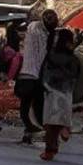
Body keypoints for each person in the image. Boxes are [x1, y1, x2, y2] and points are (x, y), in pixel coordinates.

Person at [16, 9, 57, 144]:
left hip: (32, 75)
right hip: (33, 74)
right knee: (33, 106)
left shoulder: (45, 33)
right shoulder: (36, 30)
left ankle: (33, 131)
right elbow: (41, 55)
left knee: (30, 106)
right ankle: (37, 130)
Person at [40, 28, 80, 161]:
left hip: (51, 91)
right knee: (63, 117)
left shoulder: (51, 55)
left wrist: (45, 86)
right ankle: (65, 128)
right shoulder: (72, 58)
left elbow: (44, 73)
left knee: (50, 123)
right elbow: (76, 75)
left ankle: (50, 150)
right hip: (66, 91)